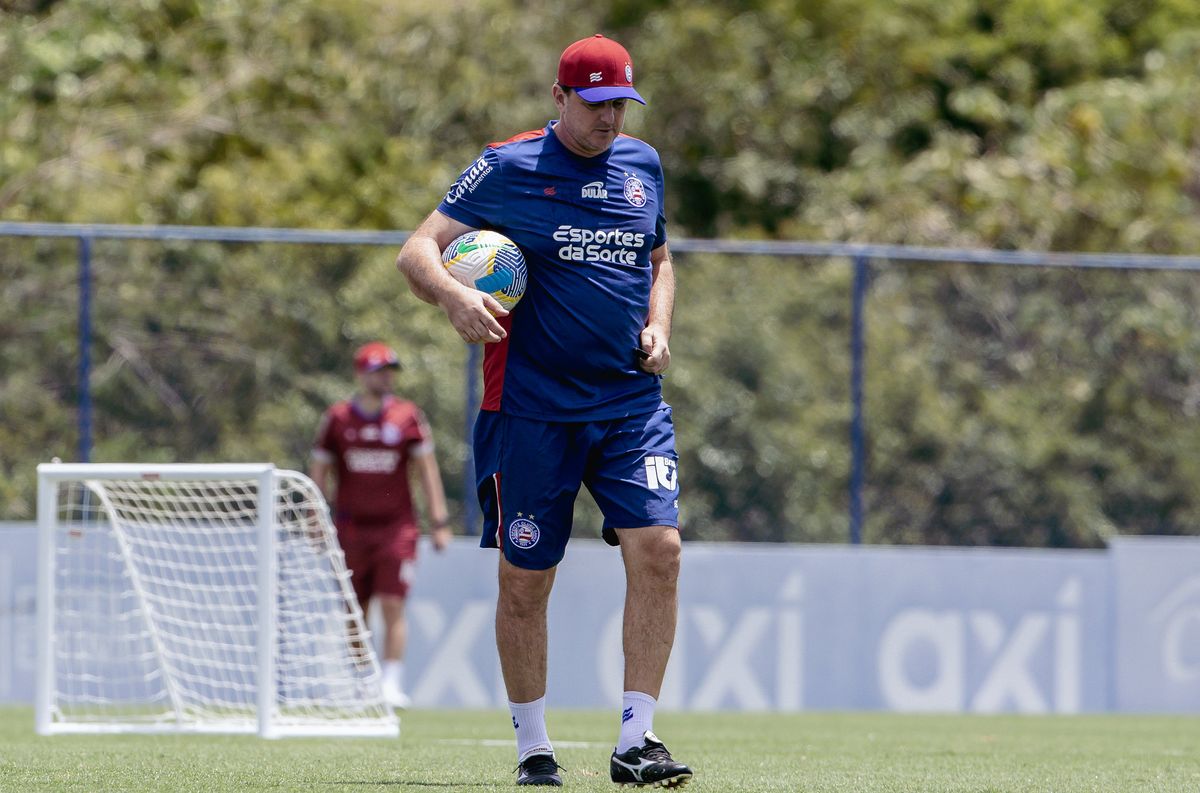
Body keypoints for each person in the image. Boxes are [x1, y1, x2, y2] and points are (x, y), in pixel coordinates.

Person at [396, 34, 691, 789]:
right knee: (528, 578)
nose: (610, 121)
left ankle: (637, 740)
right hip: (529, 408)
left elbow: (658, 259)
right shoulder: (507, 166)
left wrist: (660, 326)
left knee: (660, 548)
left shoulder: (641, 166)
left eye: (621, 104)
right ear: (560, 99)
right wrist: (456, 295)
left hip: (628, 400)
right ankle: (534, 748)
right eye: (595, 105)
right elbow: (416, 252)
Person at [309, 341, 451, 709]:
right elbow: (319, 472)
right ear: (361, 374)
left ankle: (391, 682)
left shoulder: (407, 416)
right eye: (379, 370)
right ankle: (363, 682)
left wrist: (439, 520)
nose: (387, 377)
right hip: (350, 528)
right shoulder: (337, 419)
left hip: (396, 527)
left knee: (393, 602)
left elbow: (427, 470)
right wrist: (314, 519)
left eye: (390, 371)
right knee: (355, 608)